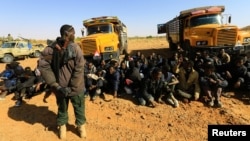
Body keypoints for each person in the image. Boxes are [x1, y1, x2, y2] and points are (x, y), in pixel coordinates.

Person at [38, 24, 86, 139]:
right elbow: (43, 66)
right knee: (62, 108)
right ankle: (62, 126)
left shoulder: (75, 48)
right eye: (73, 33)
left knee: (79, 108)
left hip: (76, 87)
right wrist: (55, 84)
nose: (74, 35)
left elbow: (79, 68)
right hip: (60, 88)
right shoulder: (51, 49)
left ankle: (81, 126)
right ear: (66, 34)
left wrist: (72, 86)